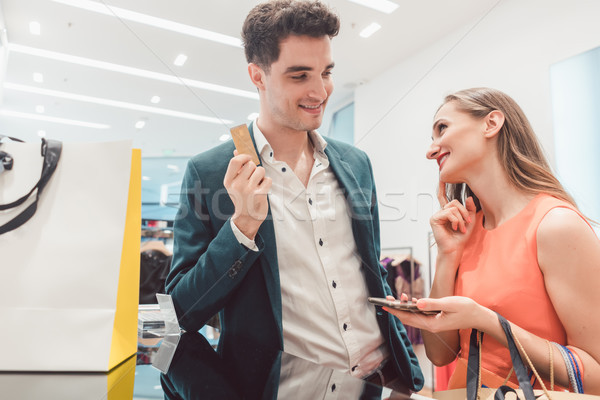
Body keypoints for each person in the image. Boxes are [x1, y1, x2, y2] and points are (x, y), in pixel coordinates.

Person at [165, 0, 423, 393]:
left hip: (378, 382)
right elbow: (179, 315)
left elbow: (371, 273)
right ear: (258, 75)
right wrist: (242, 227)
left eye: (326, 72)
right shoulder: (210, 173)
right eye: (300, 75)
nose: (320, 91)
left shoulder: (356, 163)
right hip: (279, 386)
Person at [384, 87, 600, 393]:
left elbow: (597, 373)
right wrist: (448, 255)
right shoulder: (465, 232)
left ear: (491, 123)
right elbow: (440, 354)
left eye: (442, 128)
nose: (431, 151)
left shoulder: (556, 225)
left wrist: (488, 322)